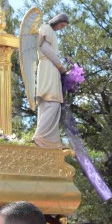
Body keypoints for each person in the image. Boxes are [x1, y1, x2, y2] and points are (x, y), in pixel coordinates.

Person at [33, 12, 69, 149]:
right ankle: (40, 136)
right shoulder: (46, 28)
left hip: (50, 67)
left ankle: (50, 141)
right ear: (57, 21)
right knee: (52, 103)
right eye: (62, 24)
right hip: (49, 66)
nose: (61, 28)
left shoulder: (50, 31)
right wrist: (60, 66)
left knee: (51, 103)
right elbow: (45, 48)